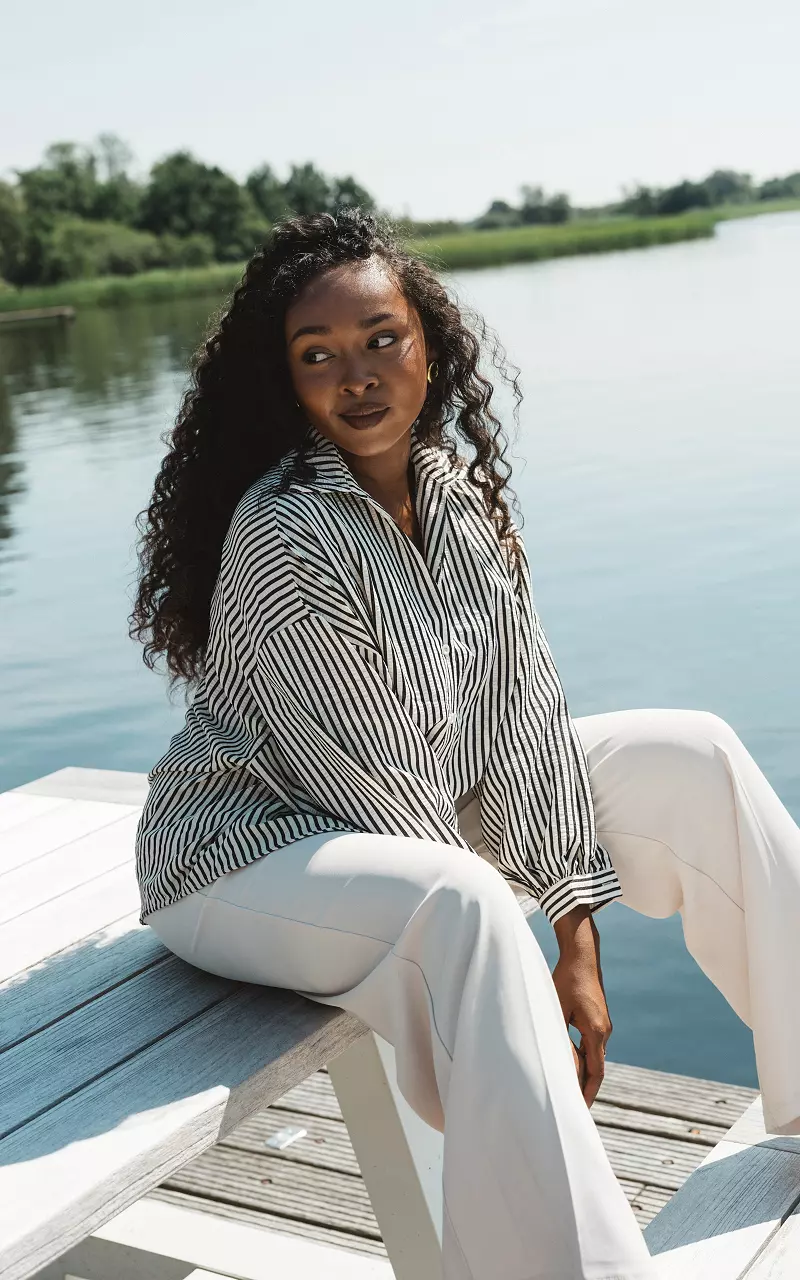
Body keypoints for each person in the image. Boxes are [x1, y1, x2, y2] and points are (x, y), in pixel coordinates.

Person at [131, 209, 800, 1280]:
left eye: (380, 338)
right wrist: (521, 976)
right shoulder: (283, 532)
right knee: (464, 902)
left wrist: (577, 931)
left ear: (427, 343)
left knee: (692, 753)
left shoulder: (451, 490)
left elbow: (520, 709)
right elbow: (380, 798)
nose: (357, 375)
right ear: (285, 382)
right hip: (244, 851)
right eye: (319, 355)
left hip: (413, 814)